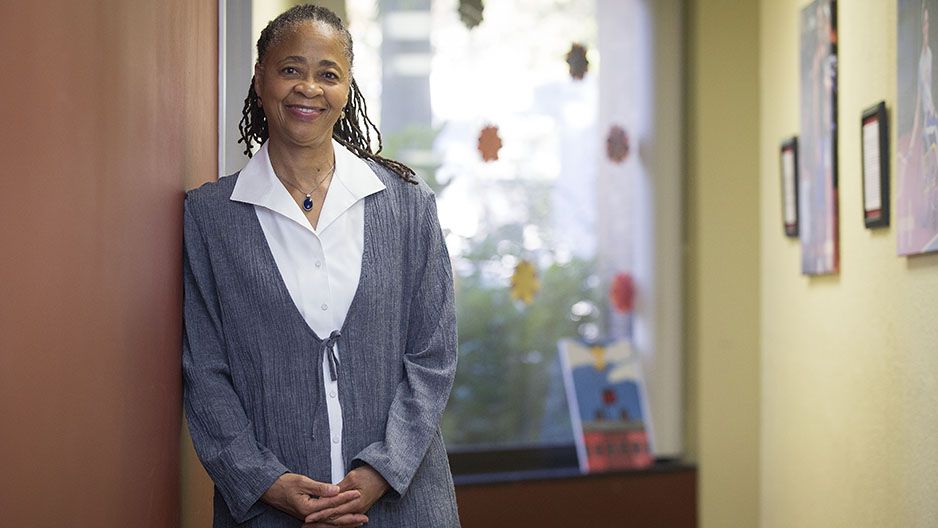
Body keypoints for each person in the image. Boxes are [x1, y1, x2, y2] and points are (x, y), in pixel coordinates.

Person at [182, 5, 460, 527]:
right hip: (269, 512)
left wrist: (383, 469)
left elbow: (433, 357)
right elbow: (204, 372)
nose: (308, 88)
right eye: (290, 69)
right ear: (261, 78)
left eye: (327, 74)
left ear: (346, 87)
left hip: (406, 506)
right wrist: (263, 481)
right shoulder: (210, 217)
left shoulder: (407, 205)